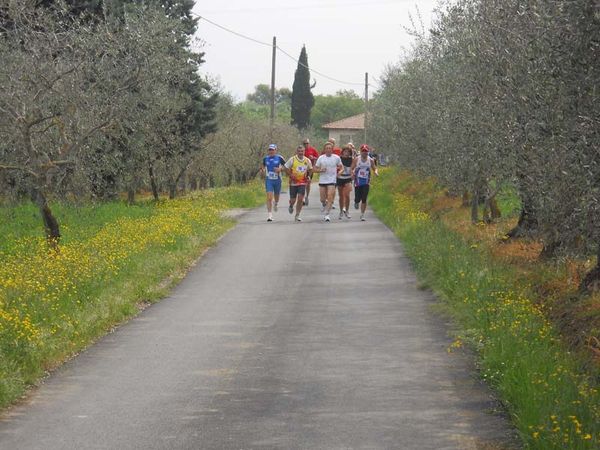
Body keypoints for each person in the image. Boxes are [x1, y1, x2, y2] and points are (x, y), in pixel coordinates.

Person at [314, 142, 342, 222]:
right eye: (327, 148)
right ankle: (323, 203)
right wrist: (320, 170)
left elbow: (341, 167)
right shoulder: (321, 158)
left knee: (330, 196)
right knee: (322, 199)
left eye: (330, 148)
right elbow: (314, 169)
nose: (328, 150)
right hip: (323, 180)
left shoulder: (336, 157)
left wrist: (339, 172)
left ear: (332, 149)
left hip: (332, 180)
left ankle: (327, 214)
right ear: (324, 150)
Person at [284, 145, 312, 222]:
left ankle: (297, 215)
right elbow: (285, 167)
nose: (300, 153)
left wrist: (309, 176)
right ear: (297, 152)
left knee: (300, 198)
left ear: (304, 152)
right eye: (299, 151)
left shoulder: (307, 160)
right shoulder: (292, 159)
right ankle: (291, 205)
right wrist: (290, 175)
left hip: (302, 182)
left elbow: (310, 169)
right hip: (293, 183)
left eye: (302, 151)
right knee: (293, 200)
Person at [351, 144, 379, 221]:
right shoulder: (357, 159)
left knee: (364, 198)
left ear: (368, 152)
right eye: (363, 151)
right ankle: (356, 202)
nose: (364, 153)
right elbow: (352, 168)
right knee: (358, 198)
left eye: (366, 151)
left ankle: (362, 215)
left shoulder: (371, 160)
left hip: (366, 181)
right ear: (360, 151)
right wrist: (352, 173)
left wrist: (376, 172)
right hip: (358, 181)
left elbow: (374, 168)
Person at [260, 143, 286, 222]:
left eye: (272, 150)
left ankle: (276, 203)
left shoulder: (279, 158)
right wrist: (262, 171)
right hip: (269, 180)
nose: (271, 151)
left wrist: (280, 169)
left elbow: (286, 166)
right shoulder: (266, 158)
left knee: (276, 197)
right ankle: (270, 215)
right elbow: (262, 166)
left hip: (277, 180)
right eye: (270, 150)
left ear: (275, 150)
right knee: (269, 197)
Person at [336, 145, 354, 219]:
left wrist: (353, 173)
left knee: (347, 195)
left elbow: (354, 168)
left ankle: (347, 211)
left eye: (348, 152)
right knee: (341, 196)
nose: (346, 153)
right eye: (345, 151)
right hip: (340, 178)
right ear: (342, 152)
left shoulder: (352, 159)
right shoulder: (339, 159)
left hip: (348, 178)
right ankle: (341, 211)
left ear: (350, 153)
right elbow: (335, 167)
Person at [302, 138, 319, 206]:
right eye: (305, 143)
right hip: (301, 169)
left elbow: (318, 157)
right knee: (302, 183)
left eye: (307, 143)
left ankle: (307, 196)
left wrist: (313, 158)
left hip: (310, 169)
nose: (306, 145)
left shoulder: (313, 150)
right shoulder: (301, 150)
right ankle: (302, 198)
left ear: (309, 143)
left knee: (308, 183)